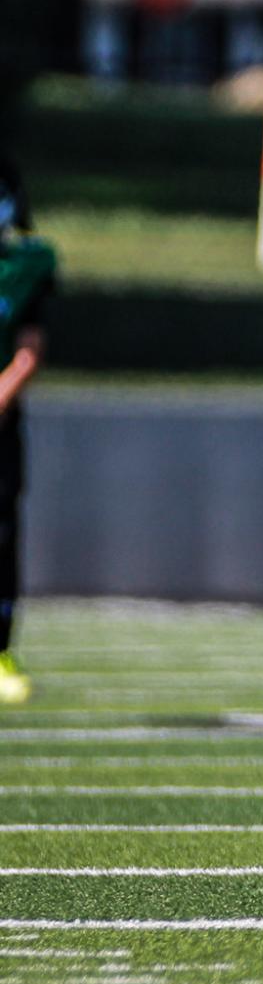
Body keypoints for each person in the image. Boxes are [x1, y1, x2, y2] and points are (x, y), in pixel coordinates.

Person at [0, 163, 54, 707]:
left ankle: (0, 651)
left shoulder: (25, 265)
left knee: (0, 536)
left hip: (1, 424)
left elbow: (29, 350)